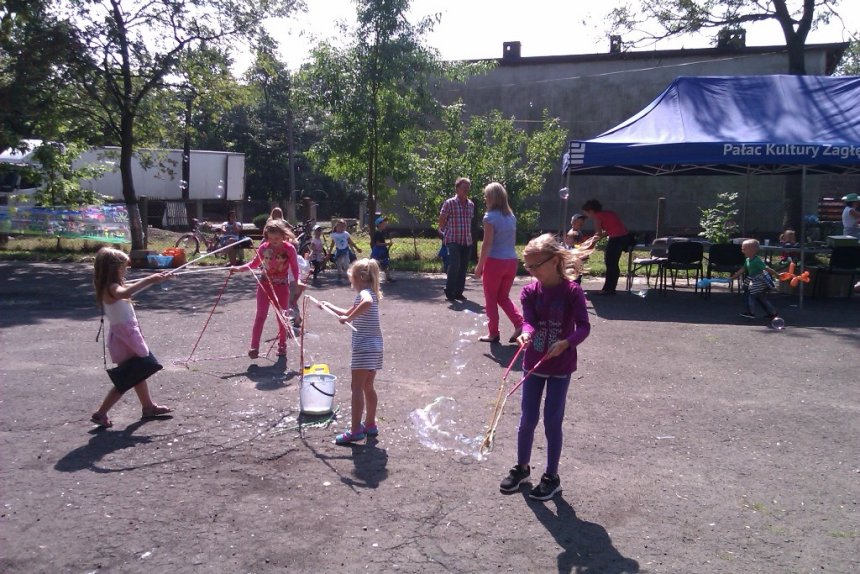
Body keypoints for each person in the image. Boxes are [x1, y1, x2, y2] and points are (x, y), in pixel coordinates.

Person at [499, 233, 591, 501]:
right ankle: (522, 468)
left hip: (561, 365)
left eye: (535, 265)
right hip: (533, 364)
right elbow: (529, 321)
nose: (530, 271)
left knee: (552, 421)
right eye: (527, 266)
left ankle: (552, 476)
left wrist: (567, 342)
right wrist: (526, 333)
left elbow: (584, 327)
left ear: (553, 261)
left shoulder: (572, 292)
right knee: (527, 419)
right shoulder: (529, 292)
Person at [90, 248, 173, 428]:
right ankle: (101, 413)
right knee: (128, 377)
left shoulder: (109, 285)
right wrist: (150, 279)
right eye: (123, 267)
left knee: (137, 372)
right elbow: (125, 293)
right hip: (126, 337)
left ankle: (148, 407)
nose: (125, 269)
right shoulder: (112, 288)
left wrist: (157, 279)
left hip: (123, 336)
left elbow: (128, 289)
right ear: (113, 269)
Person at [316, 259, 384, 445]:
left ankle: (355, 431)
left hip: (364, 348)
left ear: (358, 278)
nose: (350, 282)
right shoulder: (369, 293)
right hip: (375, 347)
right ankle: (370, 424)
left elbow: (364, 305)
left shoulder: (365, 294)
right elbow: (347, 312)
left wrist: (349, 318)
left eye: (351, 278)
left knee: (356, 388)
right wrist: (328, 305)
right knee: (368, 386)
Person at [232, 219, 299, 359]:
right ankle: (254, 347)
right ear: (267, 237)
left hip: (282, 287)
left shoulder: (289, 249)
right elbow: (254, 264)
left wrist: (296, 282)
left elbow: (294, 267)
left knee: (282, 317)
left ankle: (282, 346)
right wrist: (239, 269)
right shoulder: (263, 248)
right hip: (265, 285)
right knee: (260, 315)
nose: (274, 241)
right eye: (271, 238)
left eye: (277, 238)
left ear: (283, 236)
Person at [474, 182, 524, 343]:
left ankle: (493, 333)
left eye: (486, 195)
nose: (485, 198)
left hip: (495, 262)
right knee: (503, 297)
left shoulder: (489, 217)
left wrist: (479, 266)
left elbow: (487, 243)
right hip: (511, 261)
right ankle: (520, 323)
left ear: (492, 198)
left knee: (491, 299)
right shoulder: (511, 216)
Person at [580, 199, 630, 296]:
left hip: (616, 239)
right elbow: (608, 230)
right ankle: (611, 288)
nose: (587, 216)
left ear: (591, 211)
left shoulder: (597, 217)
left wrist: (588, 243)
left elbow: (598, 234)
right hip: (625, 238)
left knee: (610, 264)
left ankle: (608, 289)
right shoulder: (609, 213)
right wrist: (592, 240)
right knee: (614, 264)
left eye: (586, 213)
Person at [438, 177, 475, 301]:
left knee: (463, 267)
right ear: (457, 188)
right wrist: (443, 230)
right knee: (455, 264)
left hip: (466, 240)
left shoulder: (471, 204)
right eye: (464, 187)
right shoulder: (450, 203)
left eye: (468, 187)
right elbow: (442, 218)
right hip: (453, 239)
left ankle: (459, 292)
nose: (466, 189)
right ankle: (449, 290)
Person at [730, 239, 780, 322]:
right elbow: (743, 269)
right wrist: (733, 277)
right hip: (754, 280)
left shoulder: (757, 260)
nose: (742, 251)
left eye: (744, 249)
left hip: (758, 281)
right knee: (762, 298)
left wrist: (776, 274)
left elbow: (766, 268)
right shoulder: (747, 260)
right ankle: (773, 313)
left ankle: (751, 313)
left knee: (751, 296)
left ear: (752, 250)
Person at [328, 219, 362, 283]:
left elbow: (350, 242)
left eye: (344, 227)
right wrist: (329, 252)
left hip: (345, 250)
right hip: (338, 251)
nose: (342, 228)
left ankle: (348, 276)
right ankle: (339, 275)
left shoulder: (345, 234)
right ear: (337, 227)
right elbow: (332, 244)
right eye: (341, 226)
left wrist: (357, 248)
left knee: (346, 263)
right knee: (338, 264)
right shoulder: (334, 235)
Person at [371, 215, 396, 282]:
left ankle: (388, 277)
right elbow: (377, 243)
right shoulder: (378, 233)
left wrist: (387, 245)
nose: (385, 224)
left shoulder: (381, 232)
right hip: (378, 251)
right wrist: (387, 244)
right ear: (379, 225)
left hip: (381, 250)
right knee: (377, 264)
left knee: (384, 264)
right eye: (383, 223)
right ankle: (371, 277)